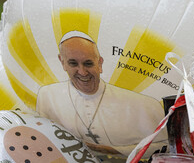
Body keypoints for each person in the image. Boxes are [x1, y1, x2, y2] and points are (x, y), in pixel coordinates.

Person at [36, 31, 167, 158]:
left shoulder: (144, 104)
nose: (82, 72)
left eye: (88, 63)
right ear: (62, 62)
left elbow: (166, 146)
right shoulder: (47, 95)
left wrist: (114, 150)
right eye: (73, 63)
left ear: (100, 63)